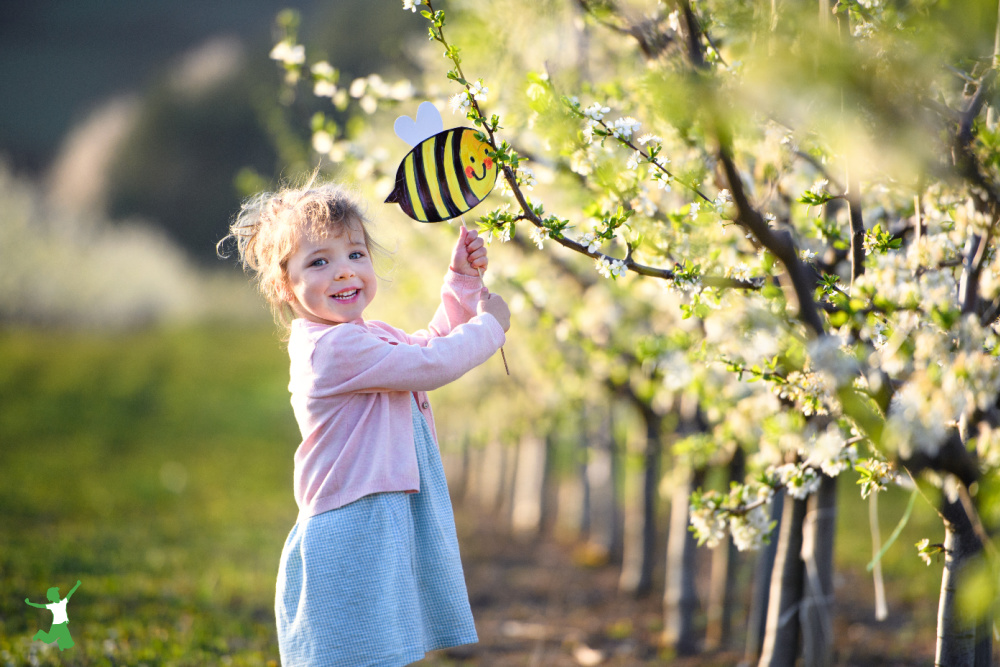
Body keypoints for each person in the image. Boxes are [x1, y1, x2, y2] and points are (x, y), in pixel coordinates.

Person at [219, 179, 510, 666]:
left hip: (375, 513)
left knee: (381, 649)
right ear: (284, 286)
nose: (343, 271)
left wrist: (459, 283)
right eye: (319, 261)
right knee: (360, 652)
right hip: (353, 524)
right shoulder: (332, 349)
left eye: (356, 254)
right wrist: (491, 328)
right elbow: (431, 365)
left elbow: (423, 345)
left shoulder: (362, 338)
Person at [25, 580, 81, 651]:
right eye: (56, 594)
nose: (57, 595)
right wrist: (29, 603)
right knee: (49, 640)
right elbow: (40, 606)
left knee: (69, 643)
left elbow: (70, 593)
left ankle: (60, 642)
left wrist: (77, 585)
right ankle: (40, 634)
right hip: (56, 626)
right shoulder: (52, 606)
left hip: (63, 625)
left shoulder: (63, 602)